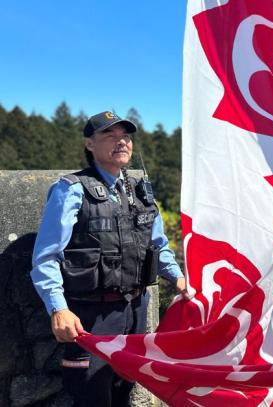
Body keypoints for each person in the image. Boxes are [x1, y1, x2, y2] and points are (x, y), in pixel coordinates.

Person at [30, 111, 191, 406]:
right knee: (92, 395)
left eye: (126, 136)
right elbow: (46, 257)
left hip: (136, 312)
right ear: (89, 144)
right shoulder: (71, 190)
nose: (121, 142)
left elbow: (158, 245)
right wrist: (58, 309)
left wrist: (179, 279)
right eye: (110, 136)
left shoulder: (140, 192)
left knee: (123, 392)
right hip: (92, 316)